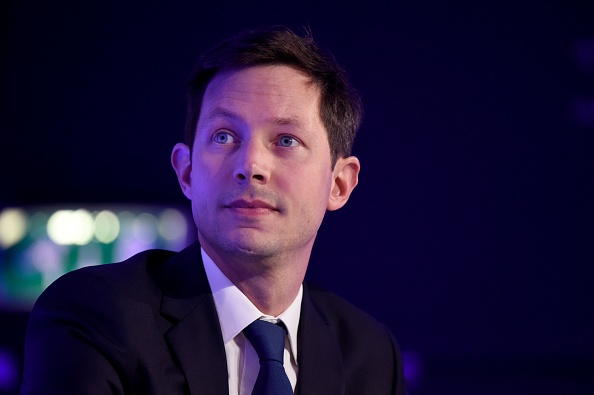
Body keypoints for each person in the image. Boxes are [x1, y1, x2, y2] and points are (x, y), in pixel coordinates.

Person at [21, 27, 407, 395]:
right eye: (224, 136)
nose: (251, 164)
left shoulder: (370, 356)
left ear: (339, 183)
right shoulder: (96, 316)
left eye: (286, 140)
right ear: (186, 171)